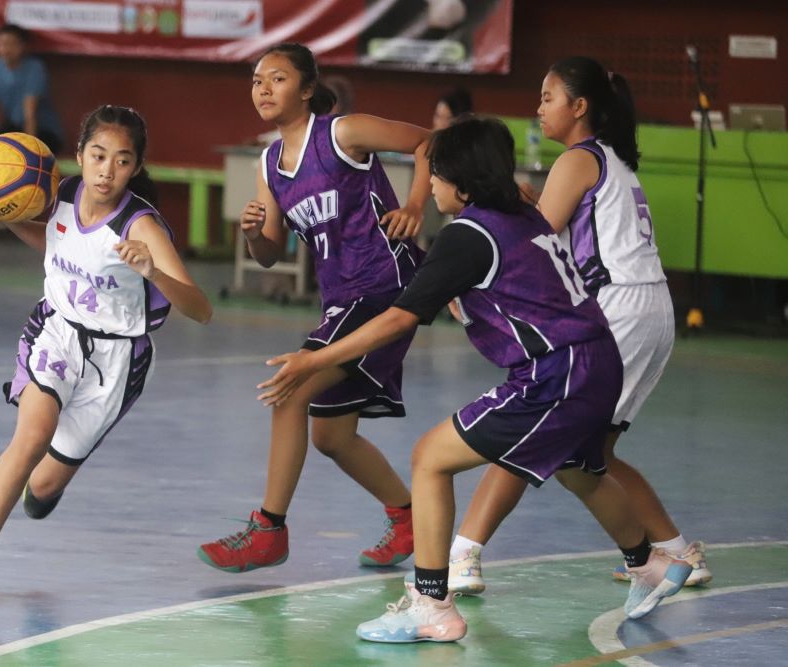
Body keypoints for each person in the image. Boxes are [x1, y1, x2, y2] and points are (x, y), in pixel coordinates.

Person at [258, 116, 695, 642]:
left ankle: (430, 603)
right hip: (598, 359)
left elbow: (398, 319)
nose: (431, 183)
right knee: (580, 469)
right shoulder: (520, 214)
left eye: (436, 175)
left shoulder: (467, 235)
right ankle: (647, 564)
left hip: (557, 370)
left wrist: (313, 360)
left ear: (462, 184)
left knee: (430, 459)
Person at [447, 56, 711, 597]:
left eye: (548, 97)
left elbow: (537, 242)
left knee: (533, 426)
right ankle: (675, 551)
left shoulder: (576, 160)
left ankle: (463, 558)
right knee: (592, 453)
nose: (539, 107)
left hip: (617, 308)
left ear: (579, 106)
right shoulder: (611, 158)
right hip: (648, 309)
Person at [0, 105, 212, 604]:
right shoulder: (60, 195)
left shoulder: (142, 227)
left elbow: (201, 310)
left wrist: (154, 271)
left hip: (116, 362)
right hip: (57, 333)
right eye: (98, 155)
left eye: (121, 160)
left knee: (42, 490)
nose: (107, 170)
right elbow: (50, 243)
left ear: (135, 168)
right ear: (79, 156)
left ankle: (43, 488)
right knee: (31, 436)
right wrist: (1, 214)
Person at [197, 42, 431, 573]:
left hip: (384, 281)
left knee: (292, 389)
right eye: (256, 80)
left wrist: (416, 203)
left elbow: (429, 143)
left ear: (306, 89)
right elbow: (270, 254)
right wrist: (254, 234)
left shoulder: (342, 133)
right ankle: (409, 518)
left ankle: (268, 531)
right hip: (342, 298)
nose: (263, 88)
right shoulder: (268, 164)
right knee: (331, 434)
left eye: (277, 79)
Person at [0, 23, 63, 155]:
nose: (5, 49)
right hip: (13, 128)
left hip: (41, 131)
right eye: (0, 44)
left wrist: (31, 150)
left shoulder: (34, 68)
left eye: (11, 44)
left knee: (24, 155)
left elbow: (30, 113)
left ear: (23, 47)